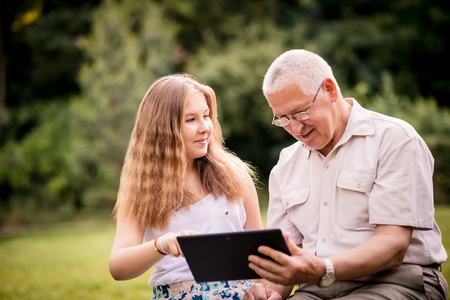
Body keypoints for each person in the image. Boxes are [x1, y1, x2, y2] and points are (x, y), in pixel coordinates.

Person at [243, 49, 448, 300]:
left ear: (330, 90)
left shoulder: (394, 139)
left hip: (399, 281)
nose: (295, 128)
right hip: (316, 290)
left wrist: (322, 269)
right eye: (283, 118)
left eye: (300, 113)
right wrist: (268, 291)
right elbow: (287, 254)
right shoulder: (286, 164)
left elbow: (393, 245)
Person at [109, 73, 263, 299]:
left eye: (206, 116)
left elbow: (261, 252)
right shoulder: (144, 187)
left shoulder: (236, 174)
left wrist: (262, 287)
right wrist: (162, 244)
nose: (204, 128)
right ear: (162, 128)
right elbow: (118, 266)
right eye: (191, 119)